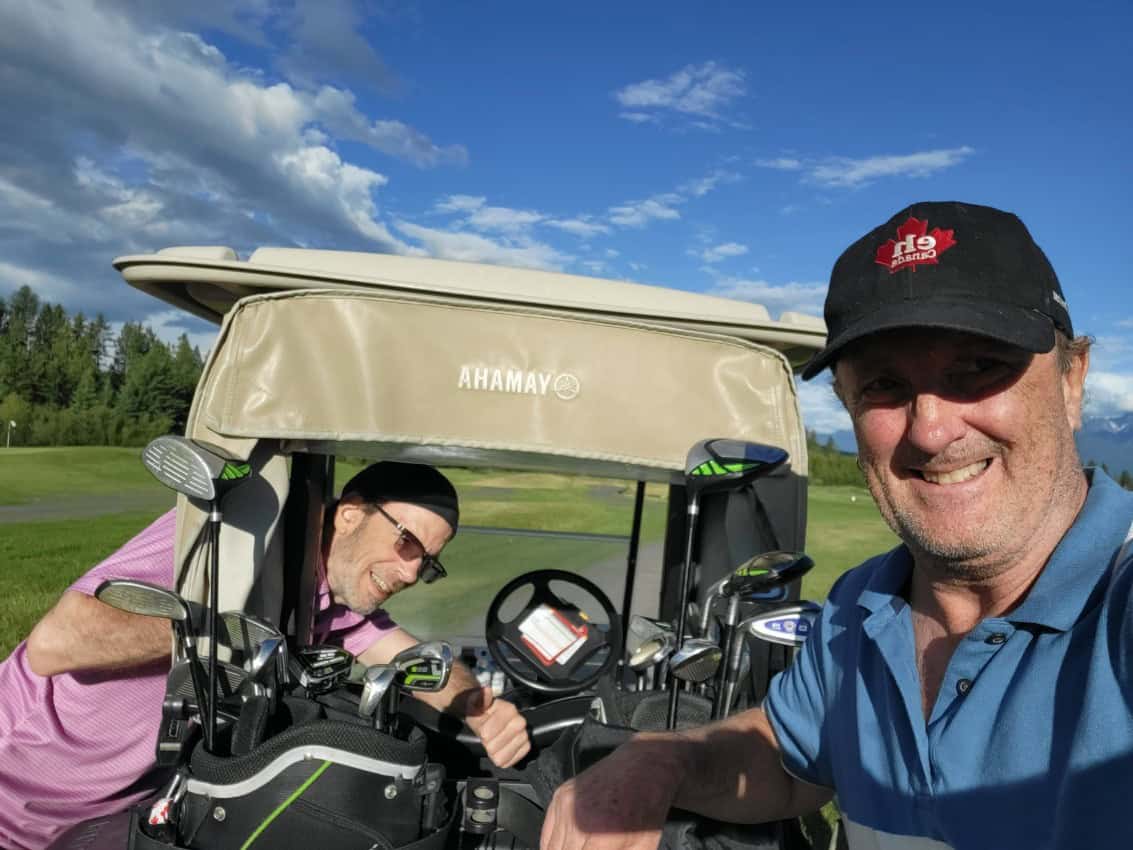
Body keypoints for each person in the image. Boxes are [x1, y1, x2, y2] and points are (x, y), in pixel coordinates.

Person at [541, 201, 1133, 850]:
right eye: (883, 383)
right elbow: (787, 757)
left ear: (1072, 381)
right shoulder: (859, 605)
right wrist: (663, 759)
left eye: (977, 367)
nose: (931, 429)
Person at [0, 460, 530, 850]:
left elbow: (408, 657)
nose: (413, 573)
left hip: (118, 813)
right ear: (348, 515)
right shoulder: (233, 540)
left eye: (429, 564)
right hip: (20, 792)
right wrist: (225, 628)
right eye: (408, 544)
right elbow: (53, 645)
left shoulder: (331, 601)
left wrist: (479, 708)